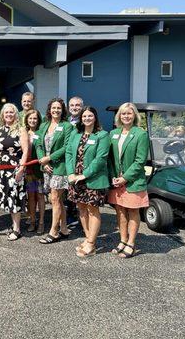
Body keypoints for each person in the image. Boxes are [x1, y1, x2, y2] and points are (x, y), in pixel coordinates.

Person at [66, 106, 110, 258]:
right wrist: (71, 173)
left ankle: (91, 244)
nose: (86, 119)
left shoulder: (102, 135)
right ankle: (88, 238)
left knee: (93, 210)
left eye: (90, 116)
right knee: (81, 209)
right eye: (84, 116)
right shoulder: (75, 134)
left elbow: (101, 159)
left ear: (95, 117)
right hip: (75, 179)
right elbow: (69, 153)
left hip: (93, 178)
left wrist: (84, 175)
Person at [107, 102, 149, 258]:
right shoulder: (113, 134)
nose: (126, 116)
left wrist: (124, 178)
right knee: (120, 211)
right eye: (123, 113)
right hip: (116, 181)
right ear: (119, 116)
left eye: (129, 113)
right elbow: (110, 159)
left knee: (132, 211)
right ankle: (122, 240)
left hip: (132, 181)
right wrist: (113, 176)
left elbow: (140, 161)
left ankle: (131, 243)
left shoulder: (140, 134)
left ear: (135, 115)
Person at [36, 98, 74, 244]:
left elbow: (67, 147)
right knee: (57, 200)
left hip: (60, 167)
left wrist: (49, 158)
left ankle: (53, 231)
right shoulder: (44, 125)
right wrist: (43, 161)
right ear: (49, 109)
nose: (56, 110)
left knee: (55, 199)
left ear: (62, 110)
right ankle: (64, 229)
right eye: (53, 108)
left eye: (59, 108)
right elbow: (38, 144)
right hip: (47, 167)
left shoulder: (67, 126)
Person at [0, 103, 28, 241]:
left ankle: (17, 229)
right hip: (1, 169)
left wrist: (21, 168)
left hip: (15, 169)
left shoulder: (21, 130)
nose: (8, 115)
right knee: (7, 197)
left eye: (11, 112)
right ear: (3, 114)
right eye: (6, 112)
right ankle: (13, 225)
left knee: (15, 198)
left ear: (16, 114)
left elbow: (25, 151)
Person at [23, 109, 46, 234]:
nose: (32, 120)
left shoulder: (42, 133)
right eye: (30, 118)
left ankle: (41, 222)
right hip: (28, 171)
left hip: (39, 171)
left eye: (35, 118)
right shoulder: (24, 133)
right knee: (31, 196)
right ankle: (32, 220)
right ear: (26, 120)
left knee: (40, 196)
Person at [66, 96, 84, 227]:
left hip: (81, 164)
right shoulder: (65, 122)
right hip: (67, 162)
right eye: (72, 105)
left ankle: (84, 222)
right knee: (68, 192)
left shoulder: (86, 121)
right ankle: (70, 215)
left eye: (77, 105)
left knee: (81, 192)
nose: (74, 107)